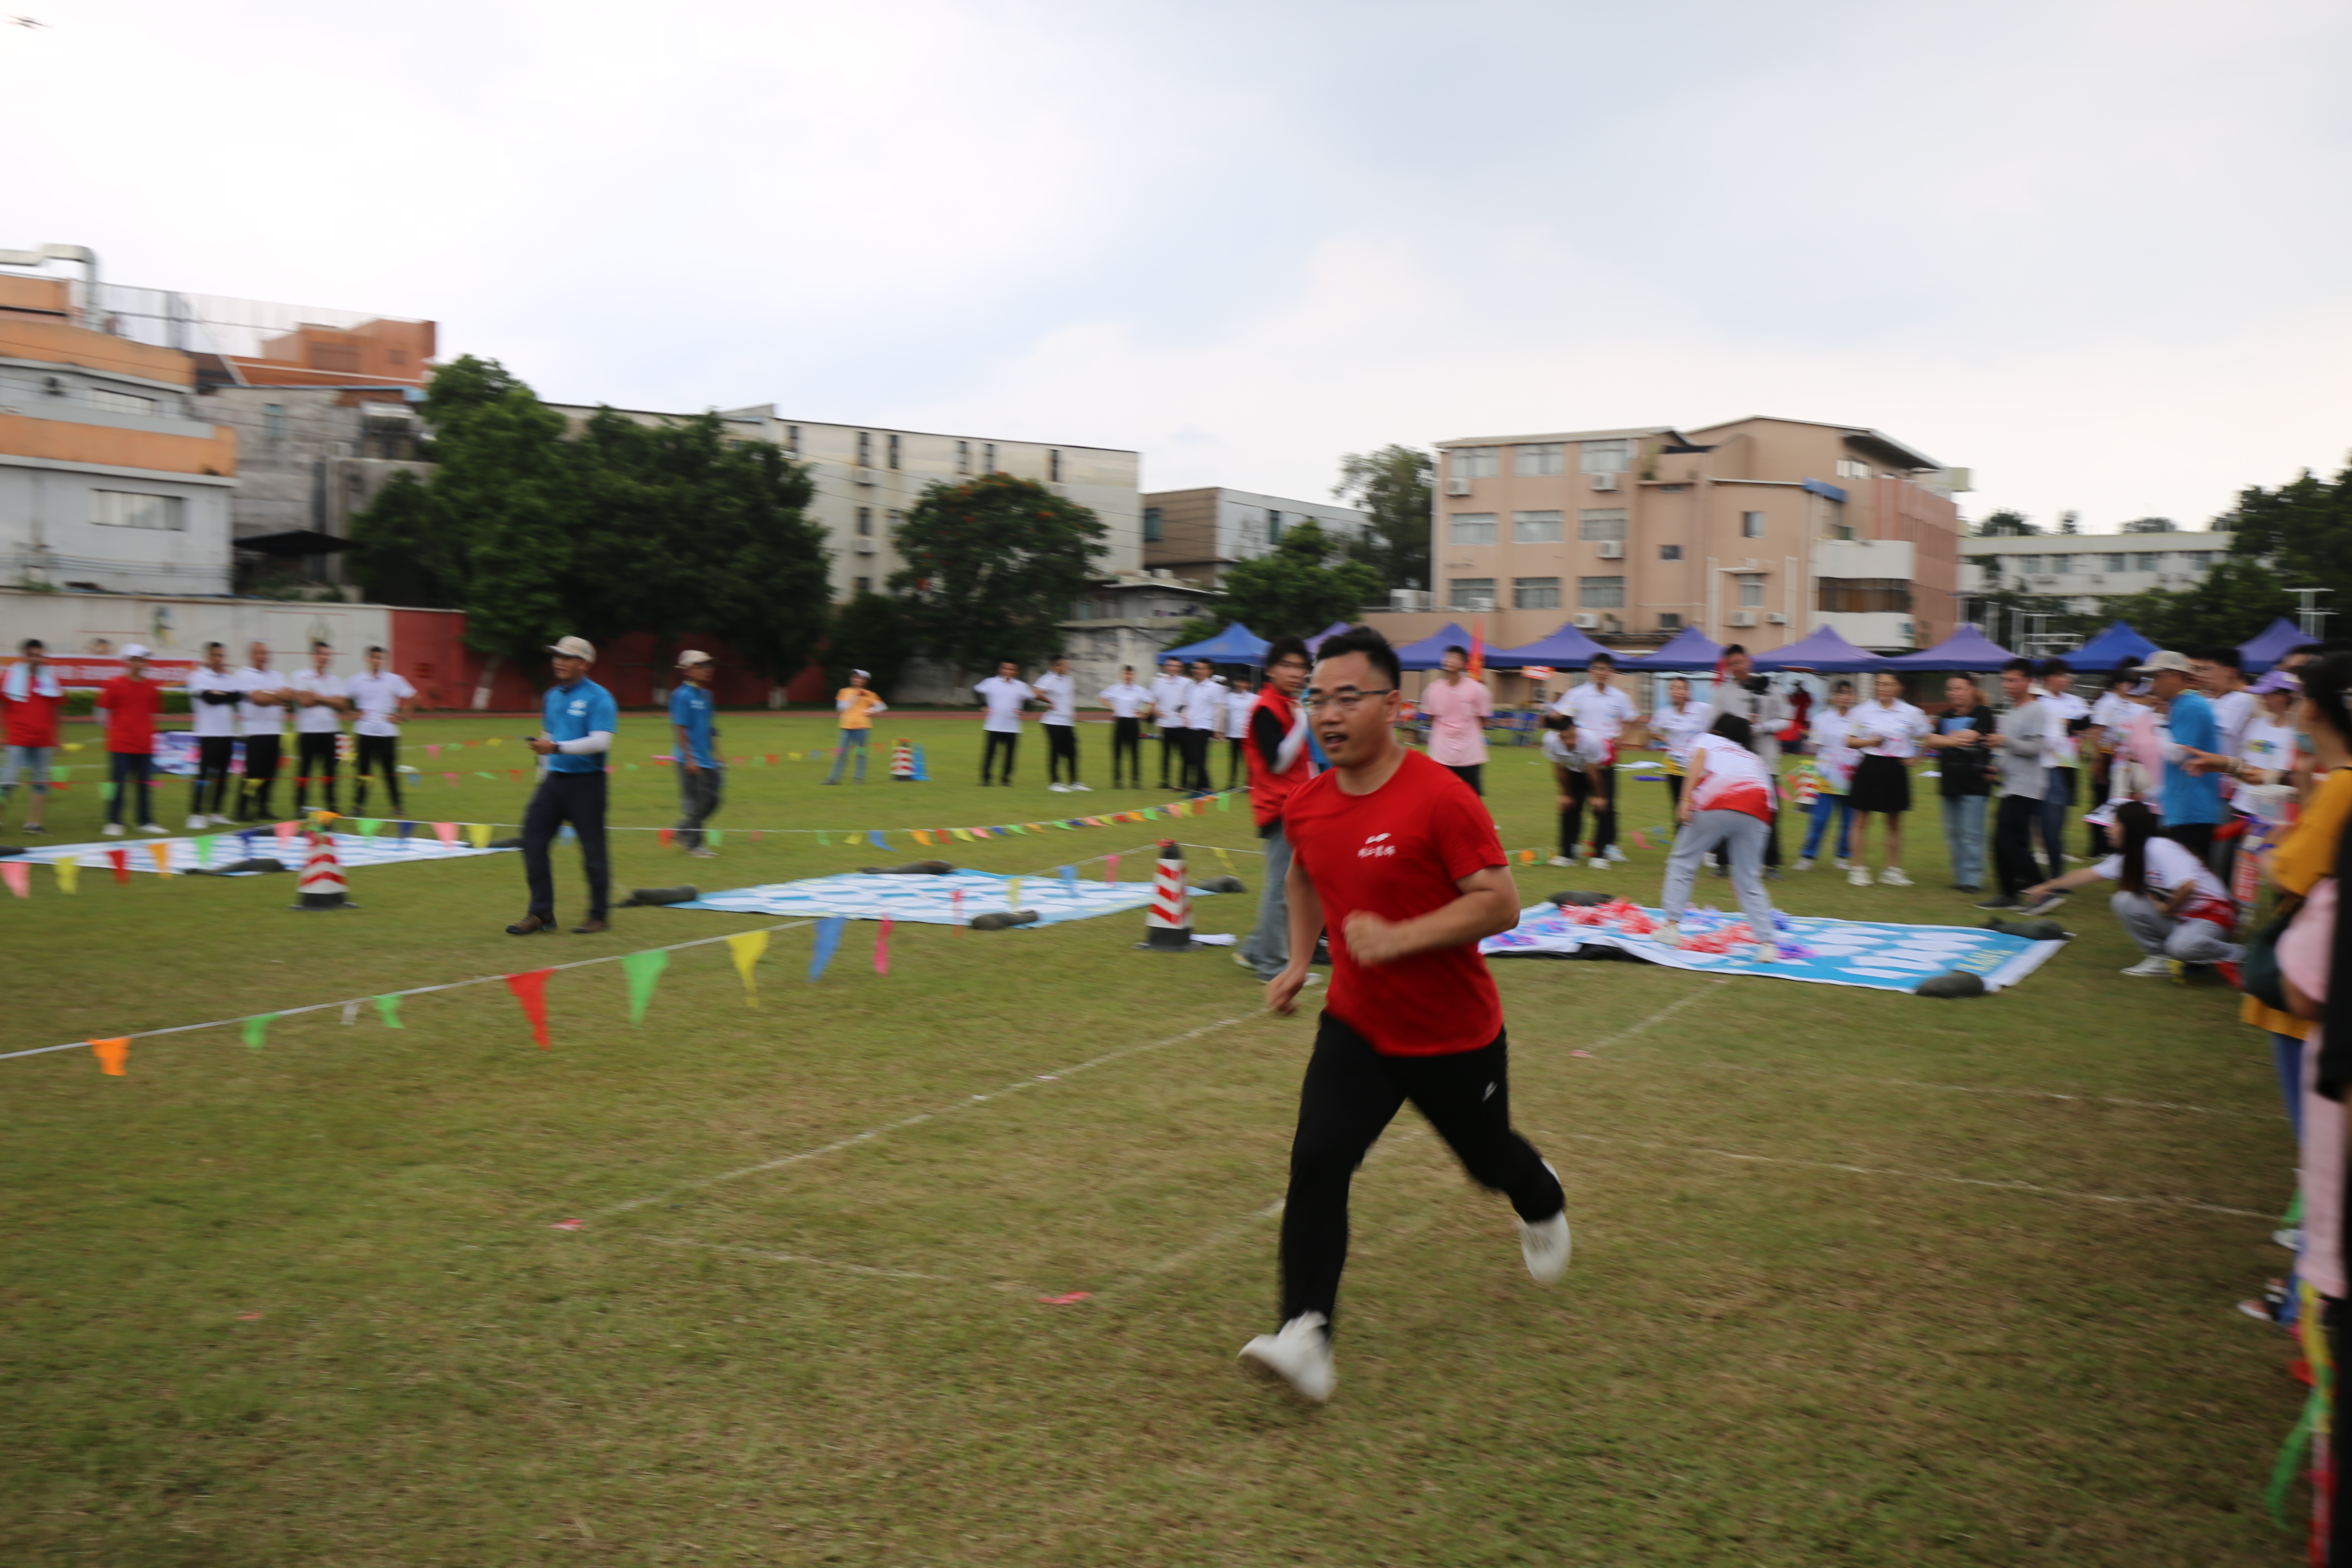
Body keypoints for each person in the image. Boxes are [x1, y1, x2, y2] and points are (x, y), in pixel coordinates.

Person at [1241, 626, 1568, 1405]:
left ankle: (1540, 1195)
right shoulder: (1308, 806)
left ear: (1393, 705)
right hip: (1358, 1025)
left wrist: (1398, 937)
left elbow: (1501, 903)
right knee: (1319, 1159)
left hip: (1454, 1034)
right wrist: (1298, 960)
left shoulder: (1441, 796)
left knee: (1487, 1162)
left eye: (1347, 698)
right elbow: (1303, 879)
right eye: (1317, 698)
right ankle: (1305, 1334)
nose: (1328, 714)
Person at [2234, 652, 2352, 1334]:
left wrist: (2277, 844)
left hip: (2310, 986)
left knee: (2322, 1154)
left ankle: (2306, 1300)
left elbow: (2291, 872)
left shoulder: (2341, 786)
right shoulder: (2333, 782)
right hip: (2319, 979)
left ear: (2316, 708)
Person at [2024, 800, 2241, 978]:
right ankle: (2161, 958)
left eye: (2114, 824)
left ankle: (2239, 955)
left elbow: (2188, 886)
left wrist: (2167, 909)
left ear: (2130, 828)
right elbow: (2087, 875)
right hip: (2186, 918)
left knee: (2182, 948)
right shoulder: (2131, 855)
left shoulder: (2160, 848)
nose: (2108, 830)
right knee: (2124, 900)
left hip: (2215, 915)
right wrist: (2047, 887)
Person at [509, 636, 617, 935]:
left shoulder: (599, 697)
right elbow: (547, 735)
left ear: (584, 664)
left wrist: (556, 748)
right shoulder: (552, 696)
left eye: (566, 657)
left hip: (587, 784)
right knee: (532, 840)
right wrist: (543, 772)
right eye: (556, 656)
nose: (558, 661)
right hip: (554, 783)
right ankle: (541, 912)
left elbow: (601, 742)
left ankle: (599, 915)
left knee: (593, 851)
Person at [1657, 712, 1781, 959]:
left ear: (1719, 729)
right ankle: (1767, 943)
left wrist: (1685, 799)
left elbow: (1699, 760)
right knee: (1748, 879)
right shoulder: (1755, 758)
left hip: (1719, 799)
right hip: (1759, 809)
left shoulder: (1708, 740)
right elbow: (1772, 802)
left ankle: (1671, 927)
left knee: (1683, 862)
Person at [1239, 637, 1319, 983]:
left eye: (1300, 667)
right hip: (1280, 808)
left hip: (1297, 804)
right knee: (1283, 888)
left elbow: (1303, 763)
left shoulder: (1287, 706)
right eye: (1287, 665)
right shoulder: (1267, 709)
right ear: (1270, 670)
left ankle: (1256, 949)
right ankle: (1273, 965)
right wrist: (1302, 722)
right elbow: (1278, 762)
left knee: (1291, 884)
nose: (1295, 673)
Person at [1978, 658, 2058, 913]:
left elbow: (2035, 748)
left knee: (2008, 842)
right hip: (2011, 784)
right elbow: (2011, 751)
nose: (2008, 685)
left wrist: (2005, 741)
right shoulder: (2011, 712)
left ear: (2028, 682)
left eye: (2013, 680)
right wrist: (1997, 769)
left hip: (2027, 787)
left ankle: (2043, 891)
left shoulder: (2036, 710)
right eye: (2005, 680)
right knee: (2004, 842)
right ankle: (2008, 894)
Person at [1707, 646, 1791, 871]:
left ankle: (1770, 863)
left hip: (1764, 759)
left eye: (1740, 662)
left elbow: (1785, 720)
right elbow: (1716, 726)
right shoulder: (1723, 693)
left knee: (1769, 810)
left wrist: (1762, 727)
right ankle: (1724, 861)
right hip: (1733, 761)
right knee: (1728, 808)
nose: (1737, 668)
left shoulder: (1770, 687)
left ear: (1749, 662)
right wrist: (1740, 728)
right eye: (1732, 664)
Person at [1552, 653, 1639, 865]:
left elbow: (1633, 719)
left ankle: (1604, 850)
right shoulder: (1578, 694)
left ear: (1612, 672)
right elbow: (1558, 715)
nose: (1601, 673)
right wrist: (1568, 732)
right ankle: (1569, 851)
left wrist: (1622, 738)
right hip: (1579, 758)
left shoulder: (1619, 697)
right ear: (1590, 670)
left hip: (1604, 759)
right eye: (1597, 668)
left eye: (1605, 669)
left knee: (1604, 806)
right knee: (1573, 804)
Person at [1843, 671, 1927, 887]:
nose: (1884, 688)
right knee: (1861, 820)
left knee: (1894, 822)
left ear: (1899, 687)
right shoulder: (1863, 711)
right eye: (1880, 684)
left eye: (1889, 684)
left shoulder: (1912, 712)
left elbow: (1926, 736)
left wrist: (1917, 757)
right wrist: (1870, 742)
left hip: (1896, 768)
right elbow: (1849, 741)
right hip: (1870, 766)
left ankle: (1892, 870)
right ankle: (1858, 868)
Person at [2139, 650, 2223, 860]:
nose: (2153, 685)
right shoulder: (2182, 705)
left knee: (2188, 873)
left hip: (2192, 811)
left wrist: (2158, 723)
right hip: (2184, 808)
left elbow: (2178, 754)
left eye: (2157, 677)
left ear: (2176, 676)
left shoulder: (2191, 706)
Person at [1922, 674, 1997, 893]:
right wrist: (1953, 740)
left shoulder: (1983, 713)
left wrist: (1945, 741)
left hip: (1975, 784)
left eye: (1960, 689)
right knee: (1954, 834)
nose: (1955, 693)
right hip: (1950, 782)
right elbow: (1929, 740)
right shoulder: (1945, 717)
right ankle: (1961, 877)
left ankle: (1973, 880)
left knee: (1972, 834)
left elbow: (1972, 736)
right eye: (1951, 689)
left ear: (1972, 690)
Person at [95, 644, 167, 836]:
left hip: (145, 745)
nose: (139, 664)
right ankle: (114, 821)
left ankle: (145, 821)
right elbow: (102, 712)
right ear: (127, 662)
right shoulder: (114, 684)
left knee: (144, 786)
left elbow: (153, 711)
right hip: (121, 744)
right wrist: (115, 732)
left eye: (142, 660)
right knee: (117, 784)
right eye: (135, 660)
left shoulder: (151, 686)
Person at [1795, 679, 1860, 872]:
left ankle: (1843, 855)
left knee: (1848, 820)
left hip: (1852, 776)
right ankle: (1808, 856)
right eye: (1840, 693)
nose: (1844, 697)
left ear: (1853, 696)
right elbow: (1814, 747)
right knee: (1819, 819)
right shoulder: (1822, 719)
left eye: (1847, 693)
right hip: (1827, 775)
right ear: (1833, 697)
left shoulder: (1860, 719)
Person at [1, 638, 64, 838]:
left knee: (40, 784)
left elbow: (55, 710)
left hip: (43, 740)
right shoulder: (10, 677)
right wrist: (3, 734)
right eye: (32, 655)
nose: (36, 659)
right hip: (17, 738)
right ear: (25, 656)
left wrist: (57, 738)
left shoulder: (51, 679)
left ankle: (33, 825)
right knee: (8, 783)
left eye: (40, 655)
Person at [2031, 658, 2089, 877]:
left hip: (2068, 763)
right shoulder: (2038, 699)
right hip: (2044, 762)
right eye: (2060, 675)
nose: (2065, 680)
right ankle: (2042, 849)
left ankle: (2053, 849)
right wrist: (2068, 725)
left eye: (2066, 675)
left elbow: (2085, 723)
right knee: (2038, 811)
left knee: (2060, 811)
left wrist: (2063, 723)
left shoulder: (2075, 701)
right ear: (2047, 678)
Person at [346, 645, 416, 816]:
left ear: (383, 661)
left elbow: (414, 697)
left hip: (387, 734)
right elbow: (342, 696)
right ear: (367, 659)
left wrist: (402, 717)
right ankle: (359, 806)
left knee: (390, 772)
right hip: (364, 733)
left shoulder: (394, 680)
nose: (377, 661)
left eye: (380, 658)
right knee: (363, 772)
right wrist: (350, 712)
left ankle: (397, 806)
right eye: (374, 658)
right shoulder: (357, 680)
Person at [1420, 644, 1494, 798]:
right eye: (1448, 657)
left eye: (1455, 657)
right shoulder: (1433, 690)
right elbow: (1430, 717)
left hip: (1469, 753)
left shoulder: (1477, 690)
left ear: (1463, 664)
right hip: (1442, 752)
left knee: (1471, 797)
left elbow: (1483, 718)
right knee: (1440, 795)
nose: (1450, 660)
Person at [184, 641, 244, 829]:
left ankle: (217, 812)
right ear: (208, 657)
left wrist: (220, 694)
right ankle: (196, 814)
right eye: (216, 655)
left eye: (222, 656)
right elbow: (210, 699)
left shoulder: (229, 678)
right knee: (203, 775)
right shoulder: (198, 676)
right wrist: (224, 695)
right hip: (208, 734)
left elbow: (237, 697)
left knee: (223, 776)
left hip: (227, 733)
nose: (219, 659)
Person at [669, 650, 722, 857]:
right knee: (695, 803)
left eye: (708, 666)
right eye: (700, 666)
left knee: (713, 800)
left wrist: (717, 754)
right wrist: (689, 759)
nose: (707, 670)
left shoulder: (707, 696)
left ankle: (683, 831)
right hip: (690, 759)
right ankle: (694, 845)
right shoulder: (682, 695)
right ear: (688, 670)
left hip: (707, 759)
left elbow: (710, 727)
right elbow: (680, 729)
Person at [289, 641, 350, 818]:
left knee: (331, 772)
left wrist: (318, 696)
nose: (325, 658)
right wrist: (330, 700)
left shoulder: (335, 680)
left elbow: (342, 705)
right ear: (314, 656)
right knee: (305, 771)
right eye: (322, 654)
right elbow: (305, 702)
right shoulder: (300, 676)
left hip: (331, 732)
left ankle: (332, 805)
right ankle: (300, 806)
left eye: (328, 655)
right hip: (308, 732)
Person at [2085, 670, 2141, 858]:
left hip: (2120, 757)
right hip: (2106, 756)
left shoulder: (2128, 703)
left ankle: (2110, 844)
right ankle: (2098, 847)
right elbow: (2097, 732)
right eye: (2128, 683)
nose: (2131, 687)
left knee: (2116, 801)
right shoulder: (2108, 702)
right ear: (2118, 684)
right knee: (2102, 802)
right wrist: (2098, 759)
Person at [235, 641, 291, 821]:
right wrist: (276, 696)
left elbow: (288, 697)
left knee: (270, 773)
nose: (264, 657)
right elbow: (259, 699)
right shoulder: (244, 675)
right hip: (255, 732)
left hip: (275, 731)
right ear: (251, 656)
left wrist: (269, 695)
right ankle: (242, 809)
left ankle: (263, 808)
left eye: (266, 653)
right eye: (259, 653)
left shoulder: (277, 676)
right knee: (253, 773)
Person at [1649, 674, 1710, 819]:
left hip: (1698, 765)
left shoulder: (1703, 709)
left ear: (1688, 692)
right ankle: (1681, 832)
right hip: (1675, 765)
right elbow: (1651, 731)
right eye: (1673, 688)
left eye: (1681, 688)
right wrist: (1665, 739)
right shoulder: (1663, 714)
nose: (1677, 691)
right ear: (1669, 692)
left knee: (1699, 805)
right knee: (1679, 806)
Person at [822, 670, 888, 784]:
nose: (855, 680)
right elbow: (841, 708)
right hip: (846, 726)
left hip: (862, 727)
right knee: (842, 753)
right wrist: (855, 697)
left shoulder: (870, 694)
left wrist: (869, 711)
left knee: (861, 753)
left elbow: (882, 706)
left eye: (859, 678)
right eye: (854, 677)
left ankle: (859, 779)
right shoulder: (844, 692)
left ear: (865, 681)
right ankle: (834, 779)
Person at [1034, 654, 1087, 792]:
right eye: (1063, 665)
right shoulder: (1048, 679)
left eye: (1066, 665)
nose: (1066, 667)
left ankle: (1074, 782)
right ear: (1055, 666)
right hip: (1053, 721)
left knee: (1072, 752)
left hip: (1067, 722)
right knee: (1056, 751)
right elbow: (1036, 693)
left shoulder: (1069, 680)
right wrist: (1049, 702)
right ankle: (1055, 783)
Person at [974, 660, 1032, 786]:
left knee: (1010, 755)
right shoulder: (991, 682)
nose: (1009, 672)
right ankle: (986, 779)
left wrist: (1024, 710)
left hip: (1012, 726)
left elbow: (1030, 698)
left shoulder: (1021, 686)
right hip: (994, 725)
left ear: (1016, 672)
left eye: (1012, 670)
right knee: (990, 753)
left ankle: (1006, 779)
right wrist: (983, 705)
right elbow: (976, 691)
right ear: (1001, 669)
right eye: (1007, 669)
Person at [1542, 713, 1587, 868]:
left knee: (1601, 808)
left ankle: (1604, 851)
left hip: (1596, 768)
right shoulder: (1550, 740)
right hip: (1573, 770)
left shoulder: (1589, 738)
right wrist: (1565, 794)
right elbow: (1558, 768)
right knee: (1570, 808)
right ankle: (1569, 852)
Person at [1099, 665, 1151, 788]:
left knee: (1135, 752)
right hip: (1120, 721)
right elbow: (1102, 697)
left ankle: (1136, 781)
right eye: (1126, 674)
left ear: (1134, 676)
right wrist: (1113, 707)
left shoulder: (1139, 690)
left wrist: (1144, 714)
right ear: (1122, 675)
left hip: (1133, 722)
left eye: (1131, 674)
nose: (1128, 676)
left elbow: (1151, 701)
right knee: (1118, 751)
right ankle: (1117, 780)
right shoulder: (1116, 689)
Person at [1182, 661, 1224, 793]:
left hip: (1204, 727)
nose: (1198, 671)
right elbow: (1187, 705)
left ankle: (1206, 787)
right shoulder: (1191, 686)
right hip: (1190, 726)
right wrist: (1184, 716)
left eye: (1202, 668)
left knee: (1197, 757)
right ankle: (1196, 789)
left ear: (1210, 671)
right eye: (1196, 668)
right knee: (1191, 757)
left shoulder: (1214, 687)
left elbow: (1219, 709)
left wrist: (1219, 729)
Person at [1151, 656, 1191, 790]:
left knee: (1184, 754)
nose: (1174, 668)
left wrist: (1185, 713)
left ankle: (1183, 783)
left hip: (1181, 724)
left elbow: (1190, 702)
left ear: (1181, 668)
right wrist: (1156, 711)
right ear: (1166, 667)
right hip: (1165, 723)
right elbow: (1153, 700)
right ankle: (1165, 781)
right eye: (1171, 666)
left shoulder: (1187, 683)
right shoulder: (1159, 683)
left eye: (1177, 666)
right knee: (1166, 754)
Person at [1223, 674, 1256, 790]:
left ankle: (1249, 784)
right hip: (1233, 734)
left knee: (1248, 761)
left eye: (1245, 683)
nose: (1242, 685)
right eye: (1239, 682)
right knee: (1233, 759)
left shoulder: (1255, 698)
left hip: (1248, 735)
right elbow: (1224, 715)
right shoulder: (1229, 697)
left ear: (1249, 685)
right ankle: (1231, 783)